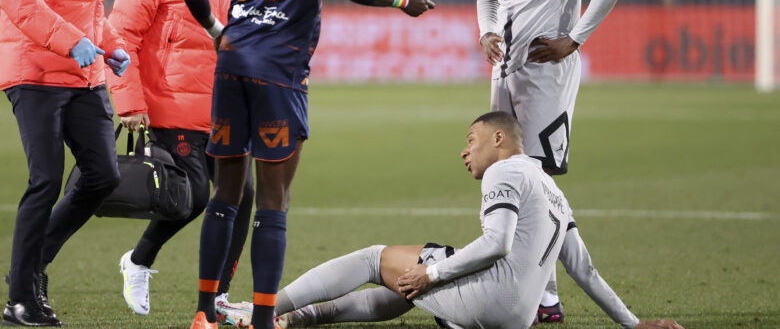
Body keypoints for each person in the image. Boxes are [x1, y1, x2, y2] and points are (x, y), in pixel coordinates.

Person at [182, 0, 435, 327]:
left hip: (232, 69)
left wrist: (221, 33)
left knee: (225, 197)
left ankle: (203, 314)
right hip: (280, 74)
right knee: (272, 202)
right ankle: (262, 320)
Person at [272, 112, 684, 329]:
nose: (464, 151)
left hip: (490, 301)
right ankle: (300, 318)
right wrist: (632, 324)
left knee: (374, 259)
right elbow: (584, 270)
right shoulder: (554, 191)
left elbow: (496, 244)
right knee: (409, 284)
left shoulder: (504, 170)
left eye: (471, 140)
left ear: (498, 139)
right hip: (518, 317)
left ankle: (264, 309)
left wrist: (433, 272)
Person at [471, 0, 632, 321]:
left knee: (537, 183)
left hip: (546, 76)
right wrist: (486, 31)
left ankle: (546, 296)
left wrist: (575, 38)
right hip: (505, 75)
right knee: (509, 177)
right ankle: (543, 296)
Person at [104, 0, 253, 323]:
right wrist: (128, 101)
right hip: (169, 104)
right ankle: (138, 260)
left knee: (243, 195)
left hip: (222, 107)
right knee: (193, 196)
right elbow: (120, 37)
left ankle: (218, 298)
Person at [0, 0, 132, 326]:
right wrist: (69, 40)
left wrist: (110, 44)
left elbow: (89, 5)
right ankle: (20, 300)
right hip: (35, 68)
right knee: (46, 179)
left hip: (82, 72)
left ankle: (30, 265)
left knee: (103, 175)